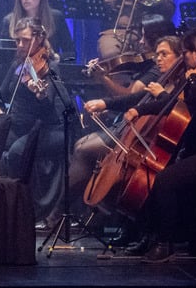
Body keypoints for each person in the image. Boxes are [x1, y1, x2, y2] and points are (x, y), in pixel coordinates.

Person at [127, 28, 196, 262]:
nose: (184, 56)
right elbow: (171, 105)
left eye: (187, 51)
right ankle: (151, 235)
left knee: (166, 180)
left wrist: (194, 78)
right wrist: (139, 109)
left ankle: (165, 243)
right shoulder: (195, 77)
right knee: (155, 174)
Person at [74, 36, 181, 246]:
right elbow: (135, 99)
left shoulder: (181, 85)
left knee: (140, 178)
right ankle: (130, 226)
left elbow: (174, 108)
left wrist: (160, 96)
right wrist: (105, 103)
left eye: (164, 54)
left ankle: (144, 231)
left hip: (166, 149)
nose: (158, 59)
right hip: (143, 143)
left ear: (179, 58)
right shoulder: (160, 81)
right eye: (157, 54)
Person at [0, 19, 66, 229]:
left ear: (39, 38)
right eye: (17, 41)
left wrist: (39, 94)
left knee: (16, 152)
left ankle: (28, 208)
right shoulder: (18, 64)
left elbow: (48, 106)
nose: (20, 46)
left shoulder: (50, 67)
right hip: (21, 125)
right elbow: (3, 92)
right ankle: (3, 207)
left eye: (24, 41)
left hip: (47, 127)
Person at [0, 0, 75, 59]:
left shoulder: (56, 17)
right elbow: (3, 58)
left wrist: (55, 57)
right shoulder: (9, 21)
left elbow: (71, 55)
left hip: (50, 71)